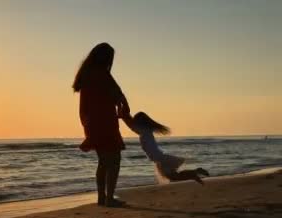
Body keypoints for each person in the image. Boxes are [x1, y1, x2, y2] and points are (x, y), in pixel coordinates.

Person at [73, 42, 130, 207]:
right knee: (114, 160)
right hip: (104, 121)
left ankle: (101, 197)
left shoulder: (86, 75)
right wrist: (123, 105)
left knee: (104, 161)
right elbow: (116, 94)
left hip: (92, 123)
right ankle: (109, 198)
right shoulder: (101, 74)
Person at [121, 111, 210, 184]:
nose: (134, 123)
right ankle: (194, 173)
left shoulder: (144, 131)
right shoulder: (146, 130)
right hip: (160, 158)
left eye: (135, 121)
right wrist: (124, 115)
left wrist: (123, 115)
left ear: (139, 122)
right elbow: (131, 125)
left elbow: (131, 126)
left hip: (160, 159)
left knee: (174, 177)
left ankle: (195, 173)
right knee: (174, 176)